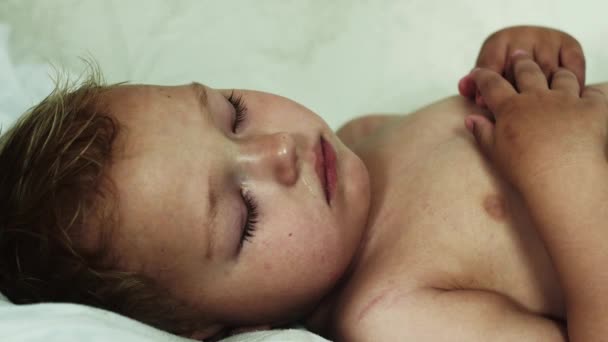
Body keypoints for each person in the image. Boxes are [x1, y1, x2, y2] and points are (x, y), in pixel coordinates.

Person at [0, 25, 606, 341]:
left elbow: (504, 111)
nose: (278, 151)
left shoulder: (362, 135)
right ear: (237, 329)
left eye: (233, 114)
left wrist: (523, 56)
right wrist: (567, 168)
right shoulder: (394, 315)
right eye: (243, 213)